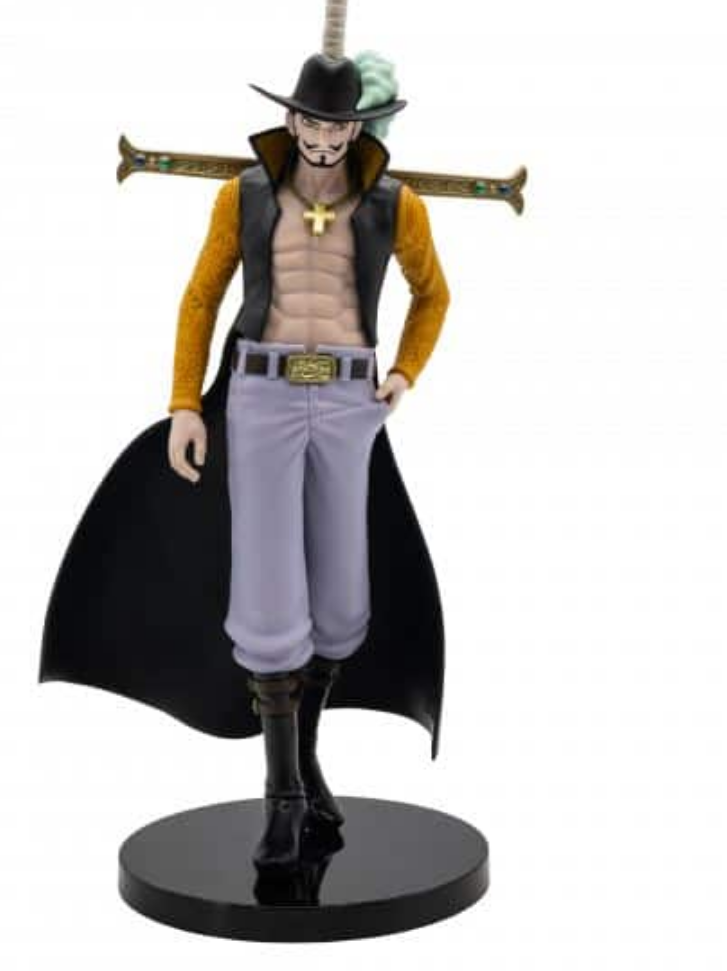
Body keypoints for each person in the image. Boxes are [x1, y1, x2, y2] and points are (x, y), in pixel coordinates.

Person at [164, 51, 451, 868]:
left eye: (338, 125)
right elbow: (202, 295)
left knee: (341, 595)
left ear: (357, 128)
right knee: (266, 595)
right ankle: (282, 794)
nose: (323, 138)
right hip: (262, 393)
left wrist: (405, 371)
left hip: (351, 397)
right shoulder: (246, 195)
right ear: (290, 119)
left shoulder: (396, 204)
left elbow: (433, 292)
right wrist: (186, 402)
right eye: (311, 122)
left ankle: (307, 761)